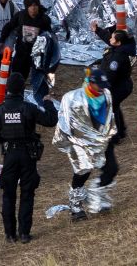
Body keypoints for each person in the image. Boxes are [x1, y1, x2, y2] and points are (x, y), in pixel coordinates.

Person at [0, 72, 58, 243]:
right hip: (27, 156)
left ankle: (9, 234)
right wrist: (48, 102)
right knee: (27, 193)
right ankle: (24, 233)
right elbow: (50, 120)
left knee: (8, 195)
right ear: (21, 89)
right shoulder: (28, 108)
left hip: (9, 156)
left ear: (7, 89)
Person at [54, 69, 118, 221]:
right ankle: (76, 206)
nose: (102, 88)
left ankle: (97, 197)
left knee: (111, 168)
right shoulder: (73, 98)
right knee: (83, 171)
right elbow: (65, 120)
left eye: (104, 85)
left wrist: (110, 134)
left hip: (101, 139)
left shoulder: (107, 94)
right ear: (91, 83)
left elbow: (110, 115)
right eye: (99, 85)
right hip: (81, 141)